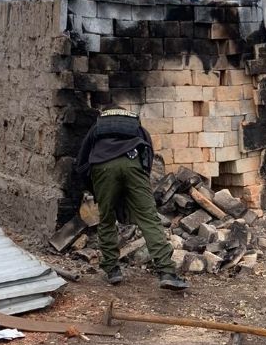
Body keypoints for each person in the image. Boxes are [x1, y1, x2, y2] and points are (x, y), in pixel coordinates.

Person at [75, 106, 188, 290]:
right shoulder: (135, 125)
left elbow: (82, 160)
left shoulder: (98, 126)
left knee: (106, 218)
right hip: (133, 164)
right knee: (148, 218)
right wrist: (142, 176)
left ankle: (112, 270)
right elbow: (148, 152)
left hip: (102, 167)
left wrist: (93, 186)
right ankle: (167, 272)